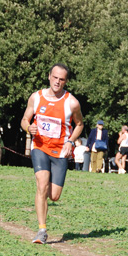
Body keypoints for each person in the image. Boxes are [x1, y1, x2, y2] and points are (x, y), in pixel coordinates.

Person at [21, 64, 84, 244]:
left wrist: (70, 141)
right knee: (41, 185)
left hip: (59, 151)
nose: (57, 82)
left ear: (66, 81)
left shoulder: (72, 103)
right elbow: (25, 119)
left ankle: (47, 192)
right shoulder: (36, 97)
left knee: (54, 195)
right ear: (49, 76)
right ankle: (42, 230)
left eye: (62, 79)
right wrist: (28, 127)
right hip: (39, 147)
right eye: (55, 77)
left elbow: (79, 124)